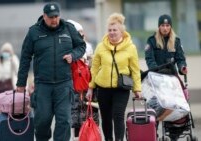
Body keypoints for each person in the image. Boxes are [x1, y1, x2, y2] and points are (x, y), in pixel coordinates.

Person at [15, 2, 86, 141]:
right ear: (44, 16)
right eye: (51, 17)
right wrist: (20, 83)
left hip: (64, 84)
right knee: (42, 121)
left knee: (64, 121)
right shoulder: (34, 32)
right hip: (43, 85)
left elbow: (81, 46)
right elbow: (25, 58)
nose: (54, 20)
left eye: (56, 16)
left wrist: (73, 55)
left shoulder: (68, 28)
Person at [86, 13, 142, 141]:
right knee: (105, 117)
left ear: (121, 31)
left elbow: (135, 70)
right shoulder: (101, 46)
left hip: (121, 88)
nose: (112, 33)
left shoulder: (130, 48)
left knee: (118, 115)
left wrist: (137, 89)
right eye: (109, 30)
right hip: (103, 88)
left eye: (115, 30)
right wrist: (90, 87)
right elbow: (94, 68)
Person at [144, 14, 187, 141]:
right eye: (162, 25)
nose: (165, 28)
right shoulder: (151, 41)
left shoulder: (176, 41)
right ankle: (153, 133)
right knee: (156, 107)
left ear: (170, 27)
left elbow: (180, 59)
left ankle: (174, 132)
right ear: (159, 26)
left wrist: (182, 68)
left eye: (167, 25)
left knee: (174, 106)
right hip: (157, 79)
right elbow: (149, 59)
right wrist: (157, 70)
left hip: (172, 80)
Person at [67, 19, 98, 141]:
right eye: (79, 32)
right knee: (75, 120)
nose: (82, 35)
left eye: (82, 32)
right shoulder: (69, 50)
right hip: (74, 89)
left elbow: (94, 69)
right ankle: (76, 138)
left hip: (88, 89)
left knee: (90, 118)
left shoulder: (89, 49)